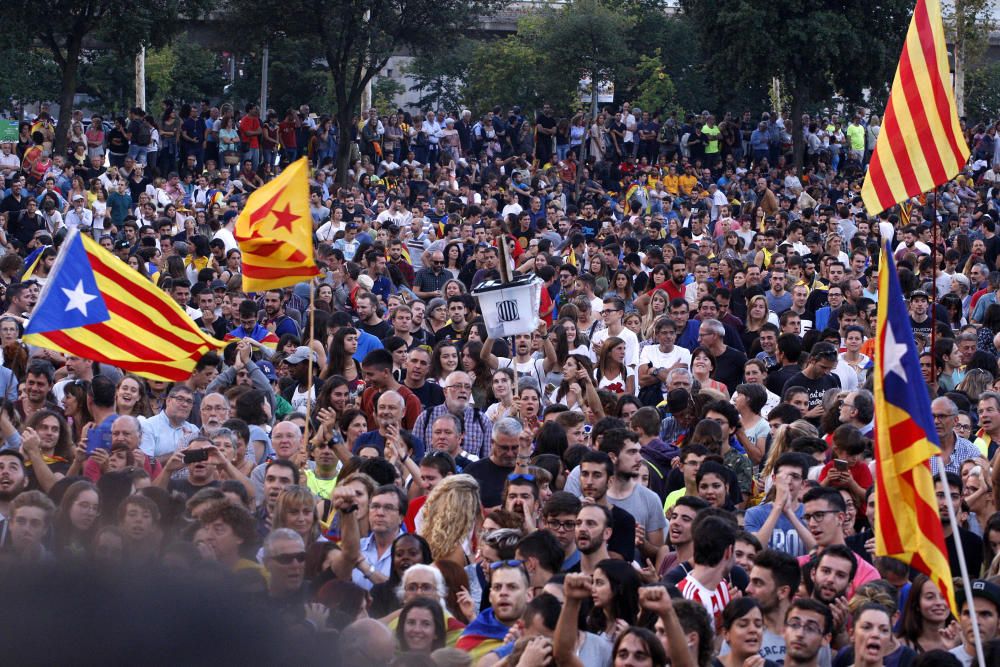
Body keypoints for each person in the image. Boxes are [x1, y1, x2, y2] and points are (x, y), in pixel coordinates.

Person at [950, 579, 1000, 666]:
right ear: (959, 618)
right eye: (968, 613)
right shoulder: (947, 662)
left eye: (985, 614)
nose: (975, 621)